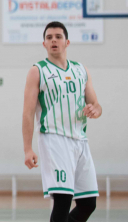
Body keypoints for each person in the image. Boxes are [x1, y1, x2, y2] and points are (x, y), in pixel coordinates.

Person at [22, 21, 101, 222]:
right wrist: (27, 149)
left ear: (67, 42)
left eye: (58, 37)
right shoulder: (37, 70)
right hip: (54, 139)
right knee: (63, 200)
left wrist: (95, 110)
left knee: (88, 203)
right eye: (49, 37)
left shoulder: (81, 70)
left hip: (80, 141)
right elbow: (27, 112)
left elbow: (95, 105)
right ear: (44, 44)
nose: (53, 40)